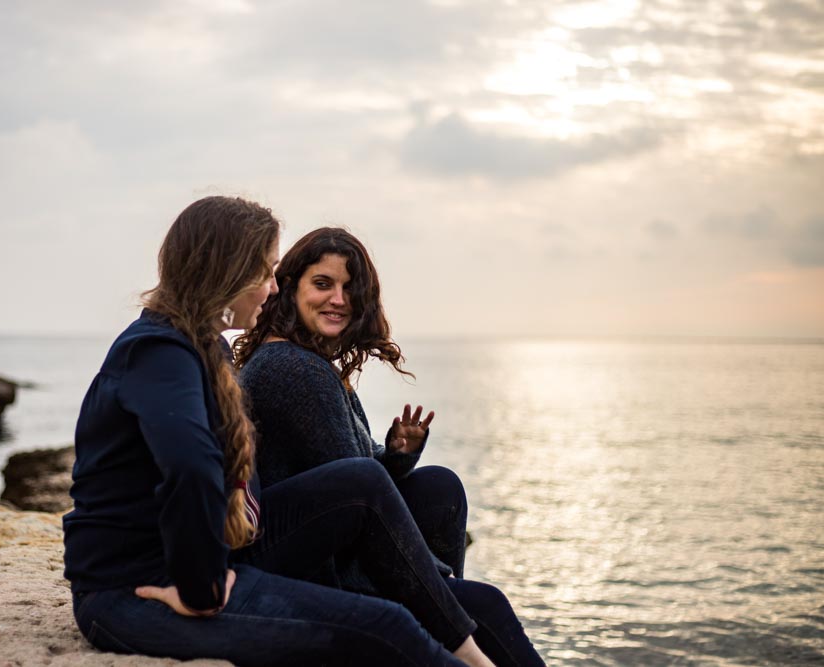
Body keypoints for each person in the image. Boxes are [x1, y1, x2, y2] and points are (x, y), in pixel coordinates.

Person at [62, 196, 502, 667]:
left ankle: (464, 643)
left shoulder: (204, 348)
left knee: (370, 488)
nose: (273, 288)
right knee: (387, 627)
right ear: (226, 271)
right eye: (267, 272)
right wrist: (202, 587)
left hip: (203, 561)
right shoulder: (158, 351)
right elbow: (191, 467)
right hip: (132, 592)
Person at [234, 227, 545, 666]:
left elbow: (353, 476)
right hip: (307, 561)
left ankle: (439, 614)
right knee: (485, 604)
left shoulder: (308, 361)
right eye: (322, 284)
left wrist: (397, 456)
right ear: (288, 290)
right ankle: (443, 623)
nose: (339, 299)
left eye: (349, 288)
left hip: (332, 531)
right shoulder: (293, 369)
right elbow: (357, 495)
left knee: (438, 486)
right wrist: (433, 589)